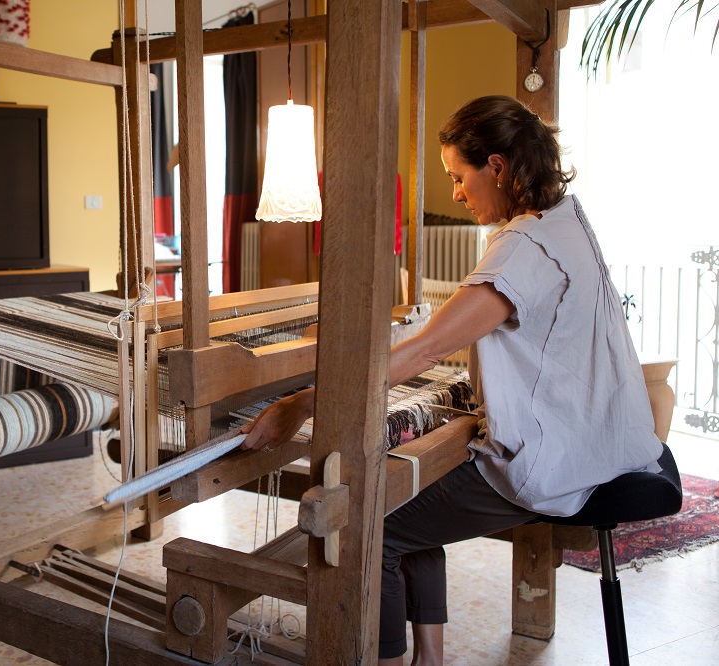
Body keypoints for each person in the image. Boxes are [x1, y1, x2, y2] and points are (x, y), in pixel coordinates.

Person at [240, 95, 664, 665]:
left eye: (458, 177)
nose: (457, 194)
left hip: (560, 463)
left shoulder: (525, 249)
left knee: (373, 524)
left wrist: (301, 403)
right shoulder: (566, 222)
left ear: (497, 166)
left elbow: (426, 350)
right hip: (598, 441)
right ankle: (430, 660)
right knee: (410, 495)